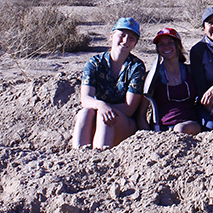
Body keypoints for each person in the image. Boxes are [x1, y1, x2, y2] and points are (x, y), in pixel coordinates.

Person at [72, 18, 145, 149]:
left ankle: (100, 158)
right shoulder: (94, 63)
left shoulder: (136, 66)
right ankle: (77, 156)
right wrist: (100, 105)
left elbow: (129, 108)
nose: (125, 41)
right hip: (96, 113)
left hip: (123, 123)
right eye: (122, 35)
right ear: (111, 36)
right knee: (85, 113)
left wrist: (105, 110)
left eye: (131, 38)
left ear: (135, 43)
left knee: (103, 117)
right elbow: (85, 99)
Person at [142, 28, 201, 135]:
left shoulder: (190, 71)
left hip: (190, 124)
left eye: (170, 43)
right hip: (161, 129)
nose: (166, 47)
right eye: (161, 44)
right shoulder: (152, 76)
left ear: (178, 46)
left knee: (180, 129)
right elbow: (141, 114)